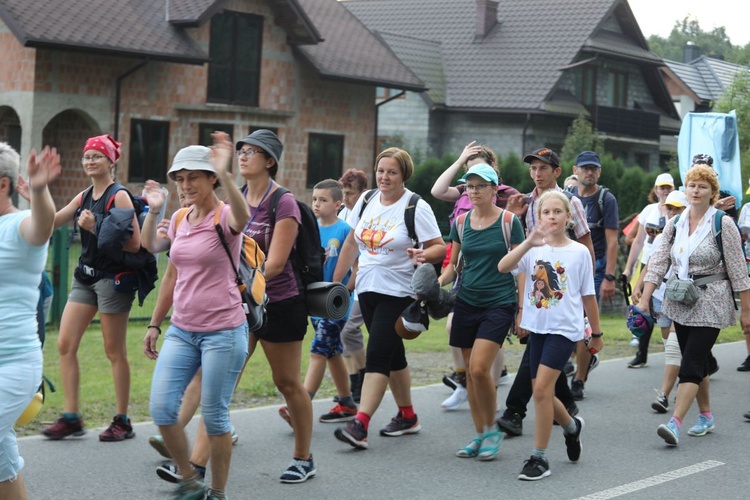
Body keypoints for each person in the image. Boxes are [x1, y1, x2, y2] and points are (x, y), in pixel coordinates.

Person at [141, 135, 250, 500]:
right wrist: (156, 323)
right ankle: (190, 480)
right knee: (161, 407)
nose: (185, 186)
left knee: (215, 417)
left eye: (194, 178)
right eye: (180, 179)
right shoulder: (180, 217)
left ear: (211, 180)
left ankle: (216, 493)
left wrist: (227, 173)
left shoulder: (224, 216)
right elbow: (162, 262)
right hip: (183, 330)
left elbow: (244, 216)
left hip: (224, 331)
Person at [332, 147, 445, 450]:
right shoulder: (367, 200)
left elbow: (439, 247)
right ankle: (408, 416)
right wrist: (336, 282)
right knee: (394, 356)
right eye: (381, 170)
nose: (385, 177)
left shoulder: (415, 206)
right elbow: (351, 243)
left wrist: (424, 253)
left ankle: (360, 424)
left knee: (378, 356)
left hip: (398, 293)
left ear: (403, 175)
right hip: (367, 290)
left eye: (392, 172)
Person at [636, 164, 750, 447]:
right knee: (695, 360)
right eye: (692, 185)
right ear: (685, 190)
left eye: (703, 186)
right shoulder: (675, 224)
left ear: (712, 192)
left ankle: (674, 422)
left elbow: (738, 270)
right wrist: (645, 297)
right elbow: (659, 261)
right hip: (680, 301)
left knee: (691, 362)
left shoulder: (722, 223)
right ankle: (707, 416)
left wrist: (746, 311)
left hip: (711, 301)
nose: (696, 190)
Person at [41, 134, 143, 441]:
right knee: (64, 344)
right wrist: (37, 190)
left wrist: (93, 226)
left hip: (112, 281)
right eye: (86, 157)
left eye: (96, 157)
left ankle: (122, 420)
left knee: (114, 351)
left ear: (111, 161)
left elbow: (135, 244)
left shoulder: (119, 196)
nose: (90, 162)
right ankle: (71, 417)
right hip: (85, 277)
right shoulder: (84, 194)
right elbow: (50, 222)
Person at [498, 190, 603, 481]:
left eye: (558, 212)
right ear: (538, 217)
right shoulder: (533, 249)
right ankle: (571, 427)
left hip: (564, 330)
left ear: (568, 217)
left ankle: (539, 458)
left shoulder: (579, 252)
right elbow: (503, 266)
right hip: (537, 330)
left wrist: (596, 333)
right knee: (542, 391)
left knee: (542, 390)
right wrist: (528, 243)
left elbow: (588, 296)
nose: (552, 217)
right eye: (547, 212)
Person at [235, 129, 316, 483]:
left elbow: (277, 263)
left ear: (270, 161)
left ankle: (303, 457)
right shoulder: (236, 197)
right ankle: (200, 448)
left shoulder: (282, 202)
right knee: (224, 376)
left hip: (279, 303)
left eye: (251, 152)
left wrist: (242, 285)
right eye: (241, 150)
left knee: (286, 382)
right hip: (239, 303)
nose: (242, 156)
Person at [497, 147, 593, 437]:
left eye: (543, 168)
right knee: (541, 363)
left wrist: (583, 290)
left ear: (557, 172)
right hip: (539, 292)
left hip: (565, 290)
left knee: (539, 364)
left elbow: (586, 244)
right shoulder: (528, 203)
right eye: (533, 169)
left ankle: (516, 410)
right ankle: (564, 407)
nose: (537, 174)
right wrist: (523, 304)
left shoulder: (570, 203)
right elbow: (526, 258)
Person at [436, 163, 523, 460]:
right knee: (472, 377)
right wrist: (435, 284)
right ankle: (480, 432)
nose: (473, 191)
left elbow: (521, 268)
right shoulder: (460, 223)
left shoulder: (509, 222)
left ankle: (493, 429)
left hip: (499, 303)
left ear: (494, 188)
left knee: (478, 369)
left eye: (480, 186)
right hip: (467, 302)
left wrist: (522, 309)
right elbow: (453, 266)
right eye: (470, 186)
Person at [430, 142, 519, 409]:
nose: (473, 188)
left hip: (499, 290)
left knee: (482, 360)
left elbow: (521, 260)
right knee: (473, 355)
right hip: (467, 282)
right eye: (469, 179)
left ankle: (487, 397)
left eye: (480, 180)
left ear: (492, 176)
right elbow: (437, 190)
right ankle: (473, 388)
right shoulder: (463, 200)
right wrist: (460, 160)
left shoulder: (506, 200)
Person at [0, 143, 60, 500]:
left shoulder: (19, 225)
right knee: (3, 465)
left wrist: (39, 191)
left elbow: (42, 225)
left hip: (12, 365)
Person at [301, 179, 356, 422]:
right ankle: (346, 403)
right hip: (314, 303)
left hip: (335, 306)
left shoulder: (345, 230)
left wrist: (343, 292)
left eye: (323, 200)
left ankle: (299, 407)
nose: (316, 204)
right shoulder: (309, 228)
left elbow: (357, 266)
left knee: (319, 351)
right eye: (314, 199)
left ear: (337, 204)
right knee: (333, 352)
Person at [632, 190, 687, 413]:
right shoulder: (664, 236)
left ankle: (664, 394)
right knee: (671, 346)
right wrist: (638, 286)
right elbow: (651, 263)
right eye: (670, 208)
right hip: (660, 297)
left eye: (677, 208)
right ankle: (691, 378)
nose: (672, 212)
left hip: (684, 299)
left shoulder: (694, 233)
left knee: (674, 347)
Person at [568, 151, 618, 394]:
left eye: (593, 169)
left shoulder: (605, 199)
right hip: (568, 268)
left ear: (599, 172)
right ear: (575, 170)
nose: (589, 172)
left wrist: (609, 277)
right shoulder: (566, 198)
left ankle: (579, 380)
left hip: (595, 268)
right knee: (569, 321)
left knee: (584, 323)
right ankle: (576, 363)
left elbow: (612, 241)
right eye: (584, 168)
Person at [622, 173, 674, 368]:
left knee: (668, 310)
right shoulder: (649, 210)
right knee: (643, 309)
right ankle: (641, 353)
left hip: (668, 265)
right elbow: (638, 240)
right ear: (655, 190)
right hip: (647, 264)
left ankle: (703, 360)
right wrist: (628, 268)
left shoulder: (679, 211)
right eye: (662, 187)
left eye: (668, 187)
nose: (665, 191)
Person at [338, 168, 369, 401]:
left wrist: (345, 288)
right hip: (346, 284)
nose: (346, 198)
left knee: (349, 329)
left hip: (359, 285)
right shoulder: (342, 215)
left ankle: (364, 374)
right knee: (342, 334)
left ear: (363, 194)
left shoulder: (367, 216)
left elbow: (359, 262)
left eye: (350, 193)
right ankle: (355, 382)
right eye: (344, 192)